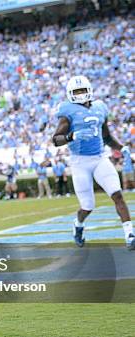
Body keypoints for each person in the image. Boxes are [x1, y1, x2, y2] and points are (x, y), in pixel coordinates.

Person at [51, 75, 133, 249]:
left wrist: (122, 147)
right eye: (76, 92)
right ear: (70, 94)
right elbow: (56, 139)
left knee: (117, 194)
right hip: (80, 162)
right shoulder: (67, 112)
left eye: (82, 91)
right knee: (87, 206)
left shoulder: (99, 108)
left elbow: (106, 137)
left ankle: (130, 234)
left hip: (99, 158)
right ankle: (78, 225)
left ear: (89, 91)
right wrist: (71, 136)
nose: (80, 95)